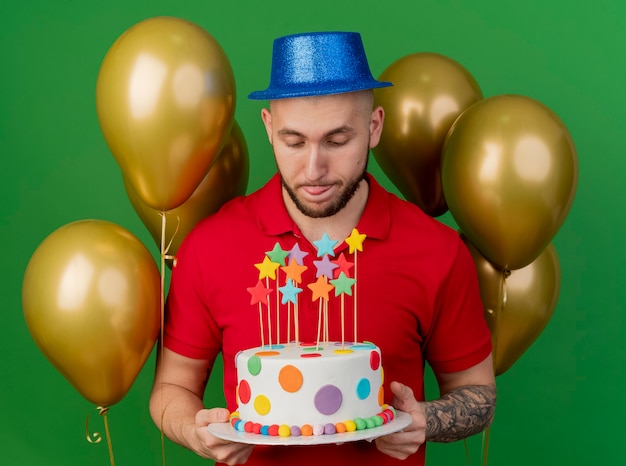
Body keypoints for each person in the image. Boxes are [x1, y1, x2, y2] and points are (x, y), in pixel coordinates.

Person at [150, 31, 496, 466]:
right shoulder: (210, 246)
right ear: (269, 128)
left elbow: (478, 392)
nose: (314, 168)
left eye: (337, 140)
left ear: (374, 128)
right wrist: (193, 431)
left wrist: (428, 419)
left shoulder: (436, 250)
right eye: (294, 142)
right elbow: (171, 388)